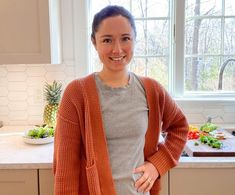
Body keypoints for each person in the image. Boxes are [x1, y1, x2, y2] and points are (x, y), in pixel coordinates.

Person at [53, 5, 188, 195]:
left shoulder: (152, 90)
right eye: (107, 40)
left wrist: (156, 165)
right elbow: (66, 170)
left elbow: (180, 127)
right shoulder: (76, 94)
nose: (117, 50)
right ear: (94, 42)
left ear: (134, 40)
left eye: (125, 38)